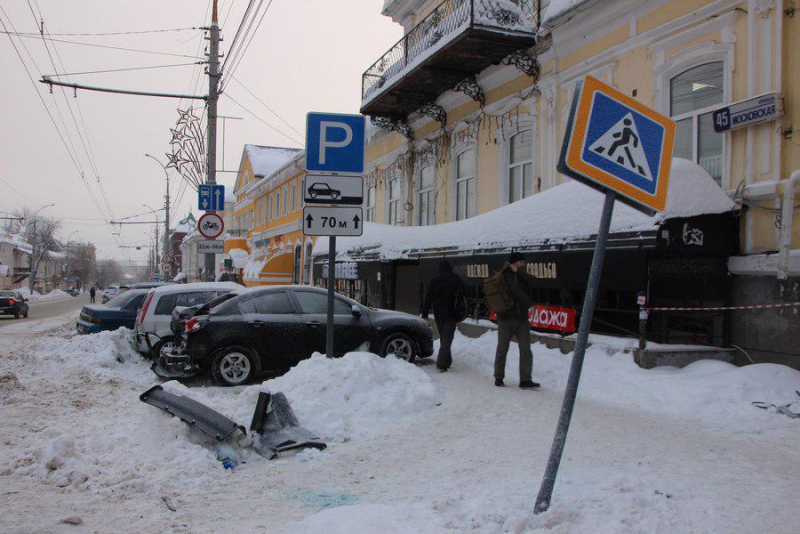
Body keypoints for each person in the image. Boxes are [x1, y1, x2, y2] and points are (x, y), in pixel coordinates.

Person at [493, 252, 540, 390]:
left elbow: (534, 281)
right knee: (502, 347)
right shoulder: (504, 274)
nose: (523, 265)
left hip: (521, 317)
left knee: (526, 349)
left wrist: (519, 272)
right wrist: (530, 304)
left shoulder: (519, 274)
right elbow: (515, 291)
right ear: (514, 262)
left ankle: (525, 380)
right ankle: (499, 376)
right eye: (521, 262)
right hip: (506, 317)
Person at [422, 260, 465, 372]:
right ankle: (442, 363)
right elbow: (464, 294)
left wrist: (425, 313)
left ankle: (446, 360)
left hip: (439, 313)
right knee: (447, 338)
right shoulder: (456, 279)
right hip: (452, 313)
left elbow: (428, 298)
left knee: (444, 336)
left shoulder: (434, 281)